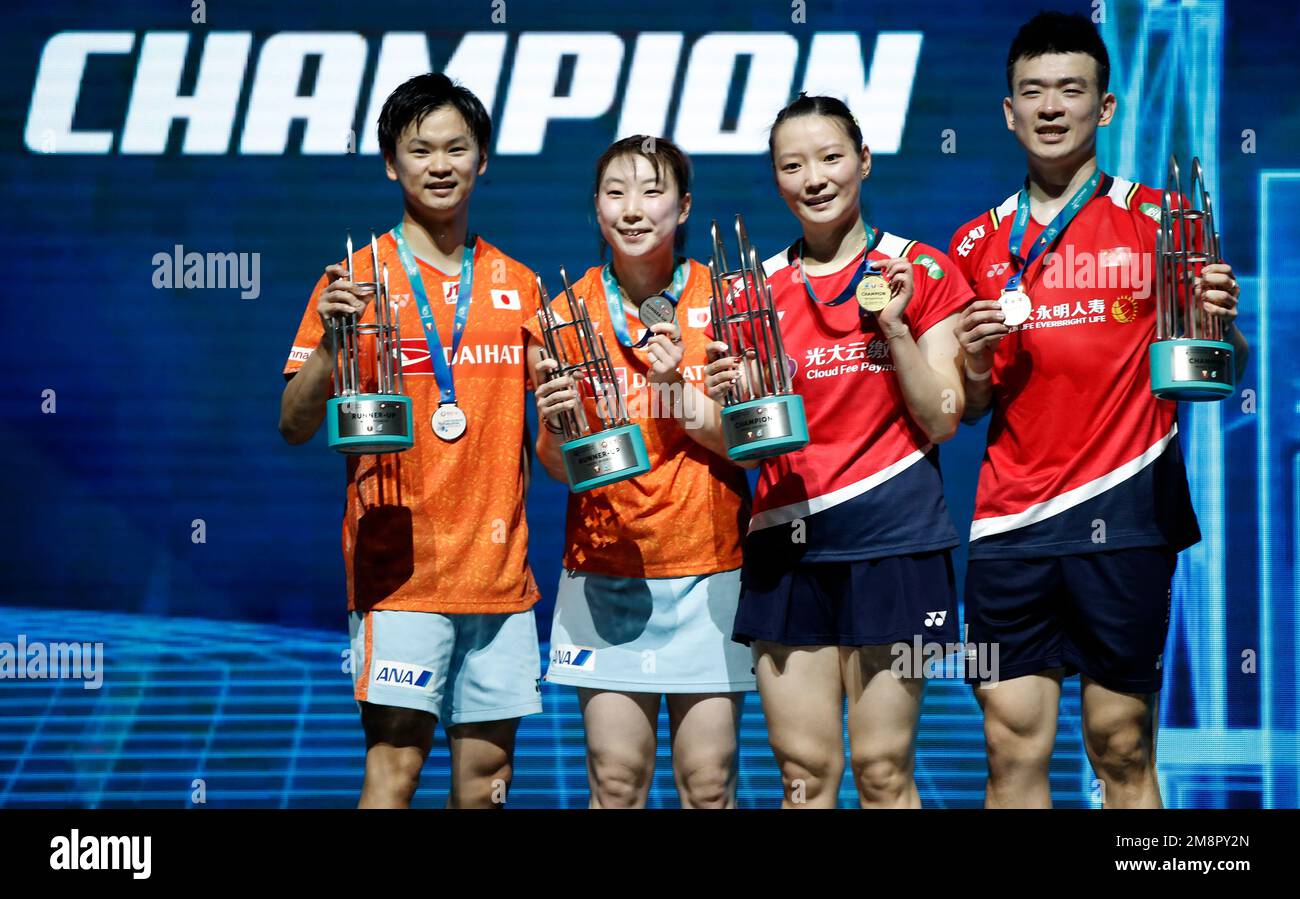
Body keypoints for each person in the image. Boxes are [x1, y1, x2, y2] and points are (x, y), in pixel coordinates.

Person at [949, 11, 1249, 808]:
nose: (1052, 108)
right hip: (1009, 526)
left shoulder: (1163, 221)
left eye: (1071, 91)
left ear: (1104, 108)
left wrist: (1222, 323)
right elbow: (970, 405)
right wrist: (974, 358)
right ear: (1009, 111)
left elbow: (1221, 370)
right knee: (1010, 744)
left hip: (1127, 513)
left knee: (1120, 743)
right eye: (1033, 93)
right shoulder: (974, 244)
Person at [279, 73, 544, 809]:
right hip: (401, 578)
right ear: (390, 163)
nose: (439, 164)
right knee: (392, 774)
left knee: (487, 788)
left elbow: (551, 447)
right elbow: (294, 423)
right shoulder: (354, 279)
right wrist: (333, 347)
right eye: (418, 148)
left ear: (482, 159)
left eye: (456, 147)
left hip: (500, 579)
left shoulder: (519, 286)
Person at [706, 95, 972, 808]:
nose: (814, 178)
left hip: (896, 544)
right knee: (804, 776)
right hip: (786, 550)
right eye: (793, 165)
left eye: (830, 158)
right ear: (776, 179)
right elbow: (736, 443)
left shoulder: (924, 269)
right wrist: (716, 395)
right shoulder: (748, 293)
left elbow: (943, 417)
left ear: (864, 161)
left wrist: (896, 330)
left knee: (884, 773)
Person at [524, 135, 756, 808]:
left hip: (712, 567)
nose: (632, 209)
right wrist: (563, 426)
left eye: (652, 191)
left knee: (708, 783)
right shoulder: (559, 318)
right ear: (595, 207)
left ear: (683, 207)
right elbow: (558, 466)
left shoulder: (730, 299)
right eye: (615, 192)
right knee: (616, 781)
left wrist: (679, 390)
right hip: (607, 573)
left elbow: (750, 445)